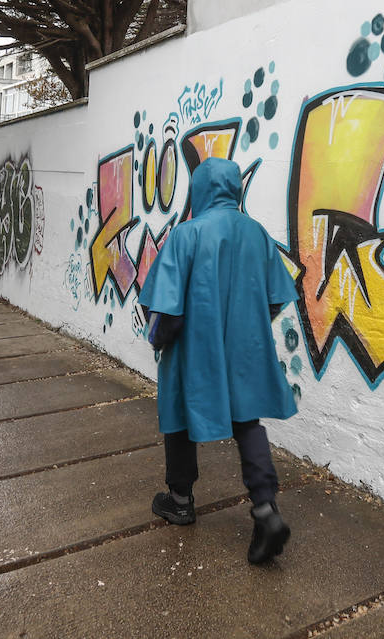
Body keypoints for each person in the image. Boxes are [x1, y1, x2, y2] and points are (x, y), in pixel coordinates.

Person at [138, 156, 300, 564]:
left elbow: (168, 311)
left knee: (178, 413)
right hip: (245, 346)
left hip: (194, 348)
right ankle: (265, 509)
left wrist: (157, 340)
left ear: (200, 190)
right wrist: (250, 326)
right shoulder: (258, 234)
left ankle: (180, 500)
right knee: (247, 420)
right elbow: (277, 297)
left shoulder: (186, 235)